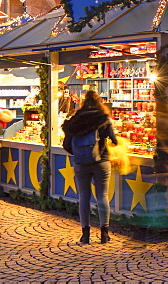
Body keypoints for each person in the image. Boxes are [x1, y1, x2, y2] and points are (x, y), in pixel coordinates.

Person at [62, 90, 118, 245]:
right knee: (102, 196)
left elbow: (66, 144)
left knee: (84, 197)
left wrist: (80, 153)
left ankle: (85, 234)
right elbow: (114, 140)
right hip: (101, 160)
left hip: (81, 163)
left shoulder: (74, 121)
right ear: (99, 102)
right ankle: (104, 234)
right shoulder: (104, 119)